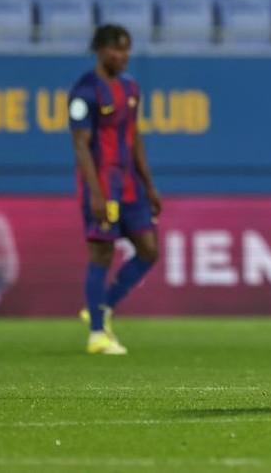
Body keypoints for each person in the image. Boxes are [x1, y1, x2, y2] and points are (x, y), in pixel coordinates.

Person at [69, 24, 161, 355]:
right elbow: (81, 144)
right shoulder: (85, 92)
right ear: (101, 50)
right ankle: (97, 334)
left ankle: (102, 306)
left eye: (127, 49)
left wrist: (149, 185)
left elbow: (134, 137)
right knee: (102, 253)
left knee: (149, 250)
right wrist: (94, 192)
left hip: (131, 184)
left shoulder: (131, 88)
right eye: (117, 50)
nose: (123, 56)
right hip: (103, 183)